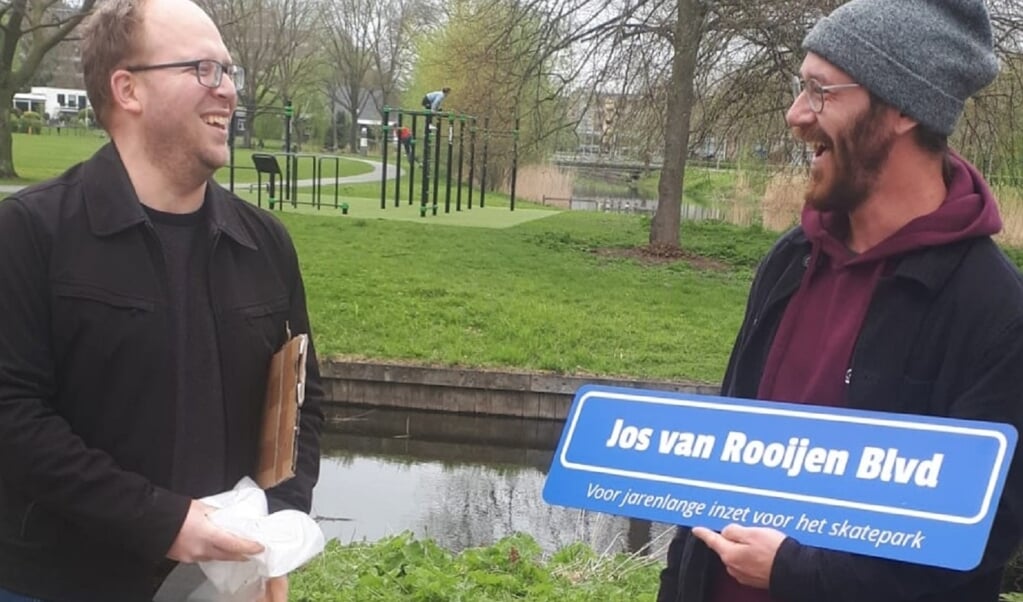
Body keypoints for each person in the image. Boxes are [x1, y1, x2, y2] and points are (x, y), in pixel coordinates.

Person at [657, 1, 1023, 601]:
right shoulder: (791, 258)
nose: (795, 115)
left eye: (820, 92)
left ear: (904, 107)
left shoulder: (995, 316)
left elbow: (967, 557)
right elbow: (713, 473)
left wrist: (792, 572)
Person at [0, 0, 324, 600]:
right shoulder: (28, 234)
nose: (227, 91)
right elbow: (13, 418)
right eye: (204, 69)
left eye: (229, 73)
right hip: (57, 584)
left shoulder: (266, 245)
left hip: (219, 588)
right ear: (128, 89)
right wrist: (163, 520)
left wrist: (275, 533)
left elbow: (302, 404)